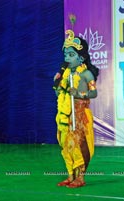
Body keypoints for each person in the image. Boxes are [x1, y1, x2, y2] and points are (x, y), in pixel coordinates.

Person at [54, 30, 99, 188]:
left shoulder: (87, 74)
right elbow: (60, 93)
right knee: (66, 145)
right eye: (66, 55)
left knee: (79, 145)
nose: (67, 58)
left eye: (71, 55)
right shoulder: (65, 74)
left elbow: (93, 93)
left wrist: (79, 93)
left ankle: (81, 177)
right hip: (65, 114)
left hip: (80, 115)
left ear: (81, 57)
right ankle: (70, 175)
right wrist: (59, 88)